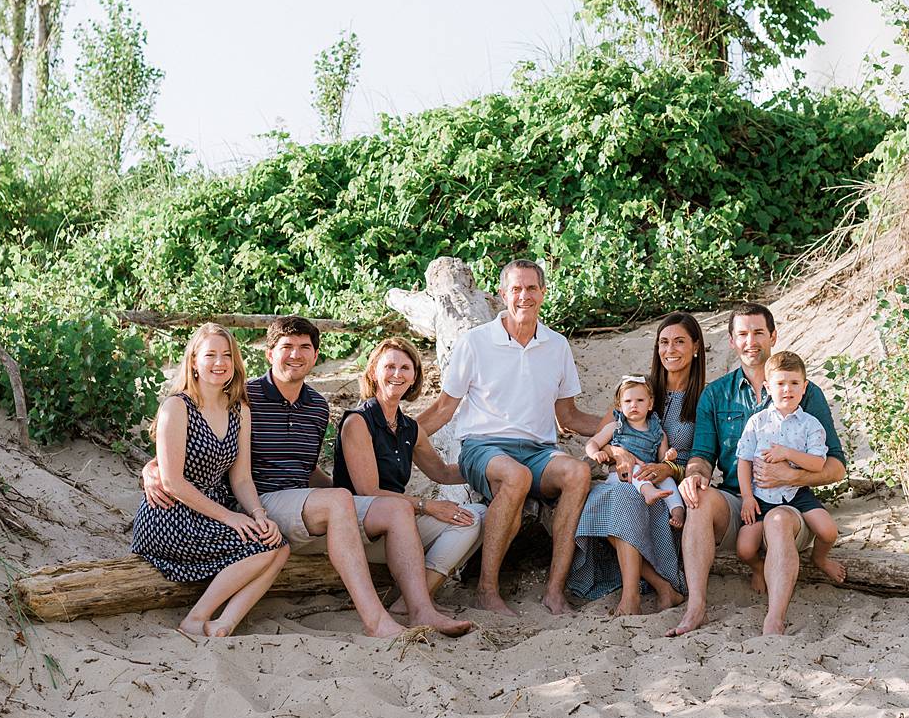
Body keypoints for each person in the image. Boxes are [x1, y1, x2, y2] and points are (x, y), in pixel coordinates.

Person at [143, 317, 463, 638]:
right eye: (287, 347)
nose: (295, 355)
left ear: (315, 356)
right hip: (261, 501)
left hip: (303, 504)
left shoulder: (318, 407)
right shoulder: (245, 397)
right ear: (270, 354)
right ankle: (376, 621)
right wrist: (152, 468)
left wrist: (347, 498)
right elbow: (195, 445)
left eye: (304, 348)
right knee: (338, 502)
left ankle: (421, 610)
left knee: (394, 509)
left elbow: (309, 470)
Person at [417, 259, 603, 617]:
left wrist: (619, 421)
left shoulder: (557, 345)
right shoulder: (475, 342)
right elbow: (442, 409)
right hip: (482, 447)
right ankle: (487, 589)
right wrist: (397, 431)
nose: (524, 296)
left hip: (538, 451)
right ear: (502, 294)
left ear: (543, 293)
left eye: (532, 288)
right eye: (516, 289)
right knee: (514, 476)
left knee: (578, 474)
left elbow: (569, 416)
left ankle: (554, 590)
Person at [668, 303, 847, 638]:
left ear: (773, 336)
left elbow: (836, 466)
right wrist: (694, 473)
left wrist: (795, 477)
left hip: (791, 505)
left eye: (759, 333)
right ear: (733, 342)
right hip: (742, 501)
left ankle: (775, 618)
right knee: (698, 500)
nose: (751, 341)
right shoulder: (716, 394)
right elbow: (703, 454)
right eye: (743, 334)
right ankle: (695, 607)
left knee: (779, 520)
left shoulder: (802, 390)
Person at [132, 324, 290, 638]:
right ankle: (196, 618)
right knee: (260, 548)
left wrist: (258, 515)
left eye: (227, 355)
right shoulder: (177, 407)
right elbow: (173, 482)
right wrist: (232, 518)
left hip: (213, 509)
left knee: (278, 544)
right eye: (210, 355)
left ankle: (224, 623)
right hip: (171, 515)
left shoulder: (239, 411)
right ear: (194, 362)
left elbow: (242, 478)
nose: (220, 363)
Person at [567, 312, 705, 615]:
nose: (670, 350)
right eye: (664, 342)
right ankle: (639, 593)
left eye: (680, 342)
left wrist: (669, 469)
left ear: (696, 347)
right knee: (621, 497)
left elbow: (704, 456)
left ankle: (653, 589)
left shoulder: (704, 399)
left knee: (635, 500)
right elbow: (608, 435)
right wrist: (616, 453)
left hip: (671, 486)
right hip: (627, 479)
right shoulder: (638, 390)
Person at [333, 336, 484, 612]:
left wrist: (486, 465)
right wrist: (428, 506)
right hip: (361, 529)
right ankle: (420, 603)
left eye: (405, 368)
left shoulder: (409, 427)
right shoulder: (358, 421)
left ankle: (411, 600)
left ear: (414, 377)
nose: (397, 374)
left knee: (475, 516)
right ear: (374, 373)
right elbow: (369, 492)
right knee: (455, 517)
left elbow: (442, 473)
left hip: (399, 524)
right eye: (389, 366)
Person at [735, 350, 844, 602]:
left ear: (804, 387)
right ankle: (758, 567)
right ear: (767, 387)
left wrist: (787, 452)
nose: (787, 389)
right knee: (744, 548)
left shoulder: (811, 425)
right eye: (780, 384)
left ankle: (819, 559)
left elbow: (818, 464)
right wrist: (747, 497)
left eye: (794, 383)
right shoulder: (757, 422)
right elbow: (744, 462)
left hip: (797, 495)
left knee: (828, 532)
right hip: (762, 497)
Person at [583, 376, 684, 526]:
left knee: (667, 480)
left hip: (646, 473)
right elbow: (592, 442)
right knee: (634, 467)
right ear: (619, 405)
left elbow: (663, 461)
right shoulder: (615, 427)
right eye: (628, 401)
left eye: (640, 401)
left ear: (650, 404)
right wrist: (596, 453)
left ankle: (677, 511)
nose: (634, 405)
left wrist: (669, 456)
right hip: (619, 474)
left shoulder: (658, 432)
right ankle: (648, 492)